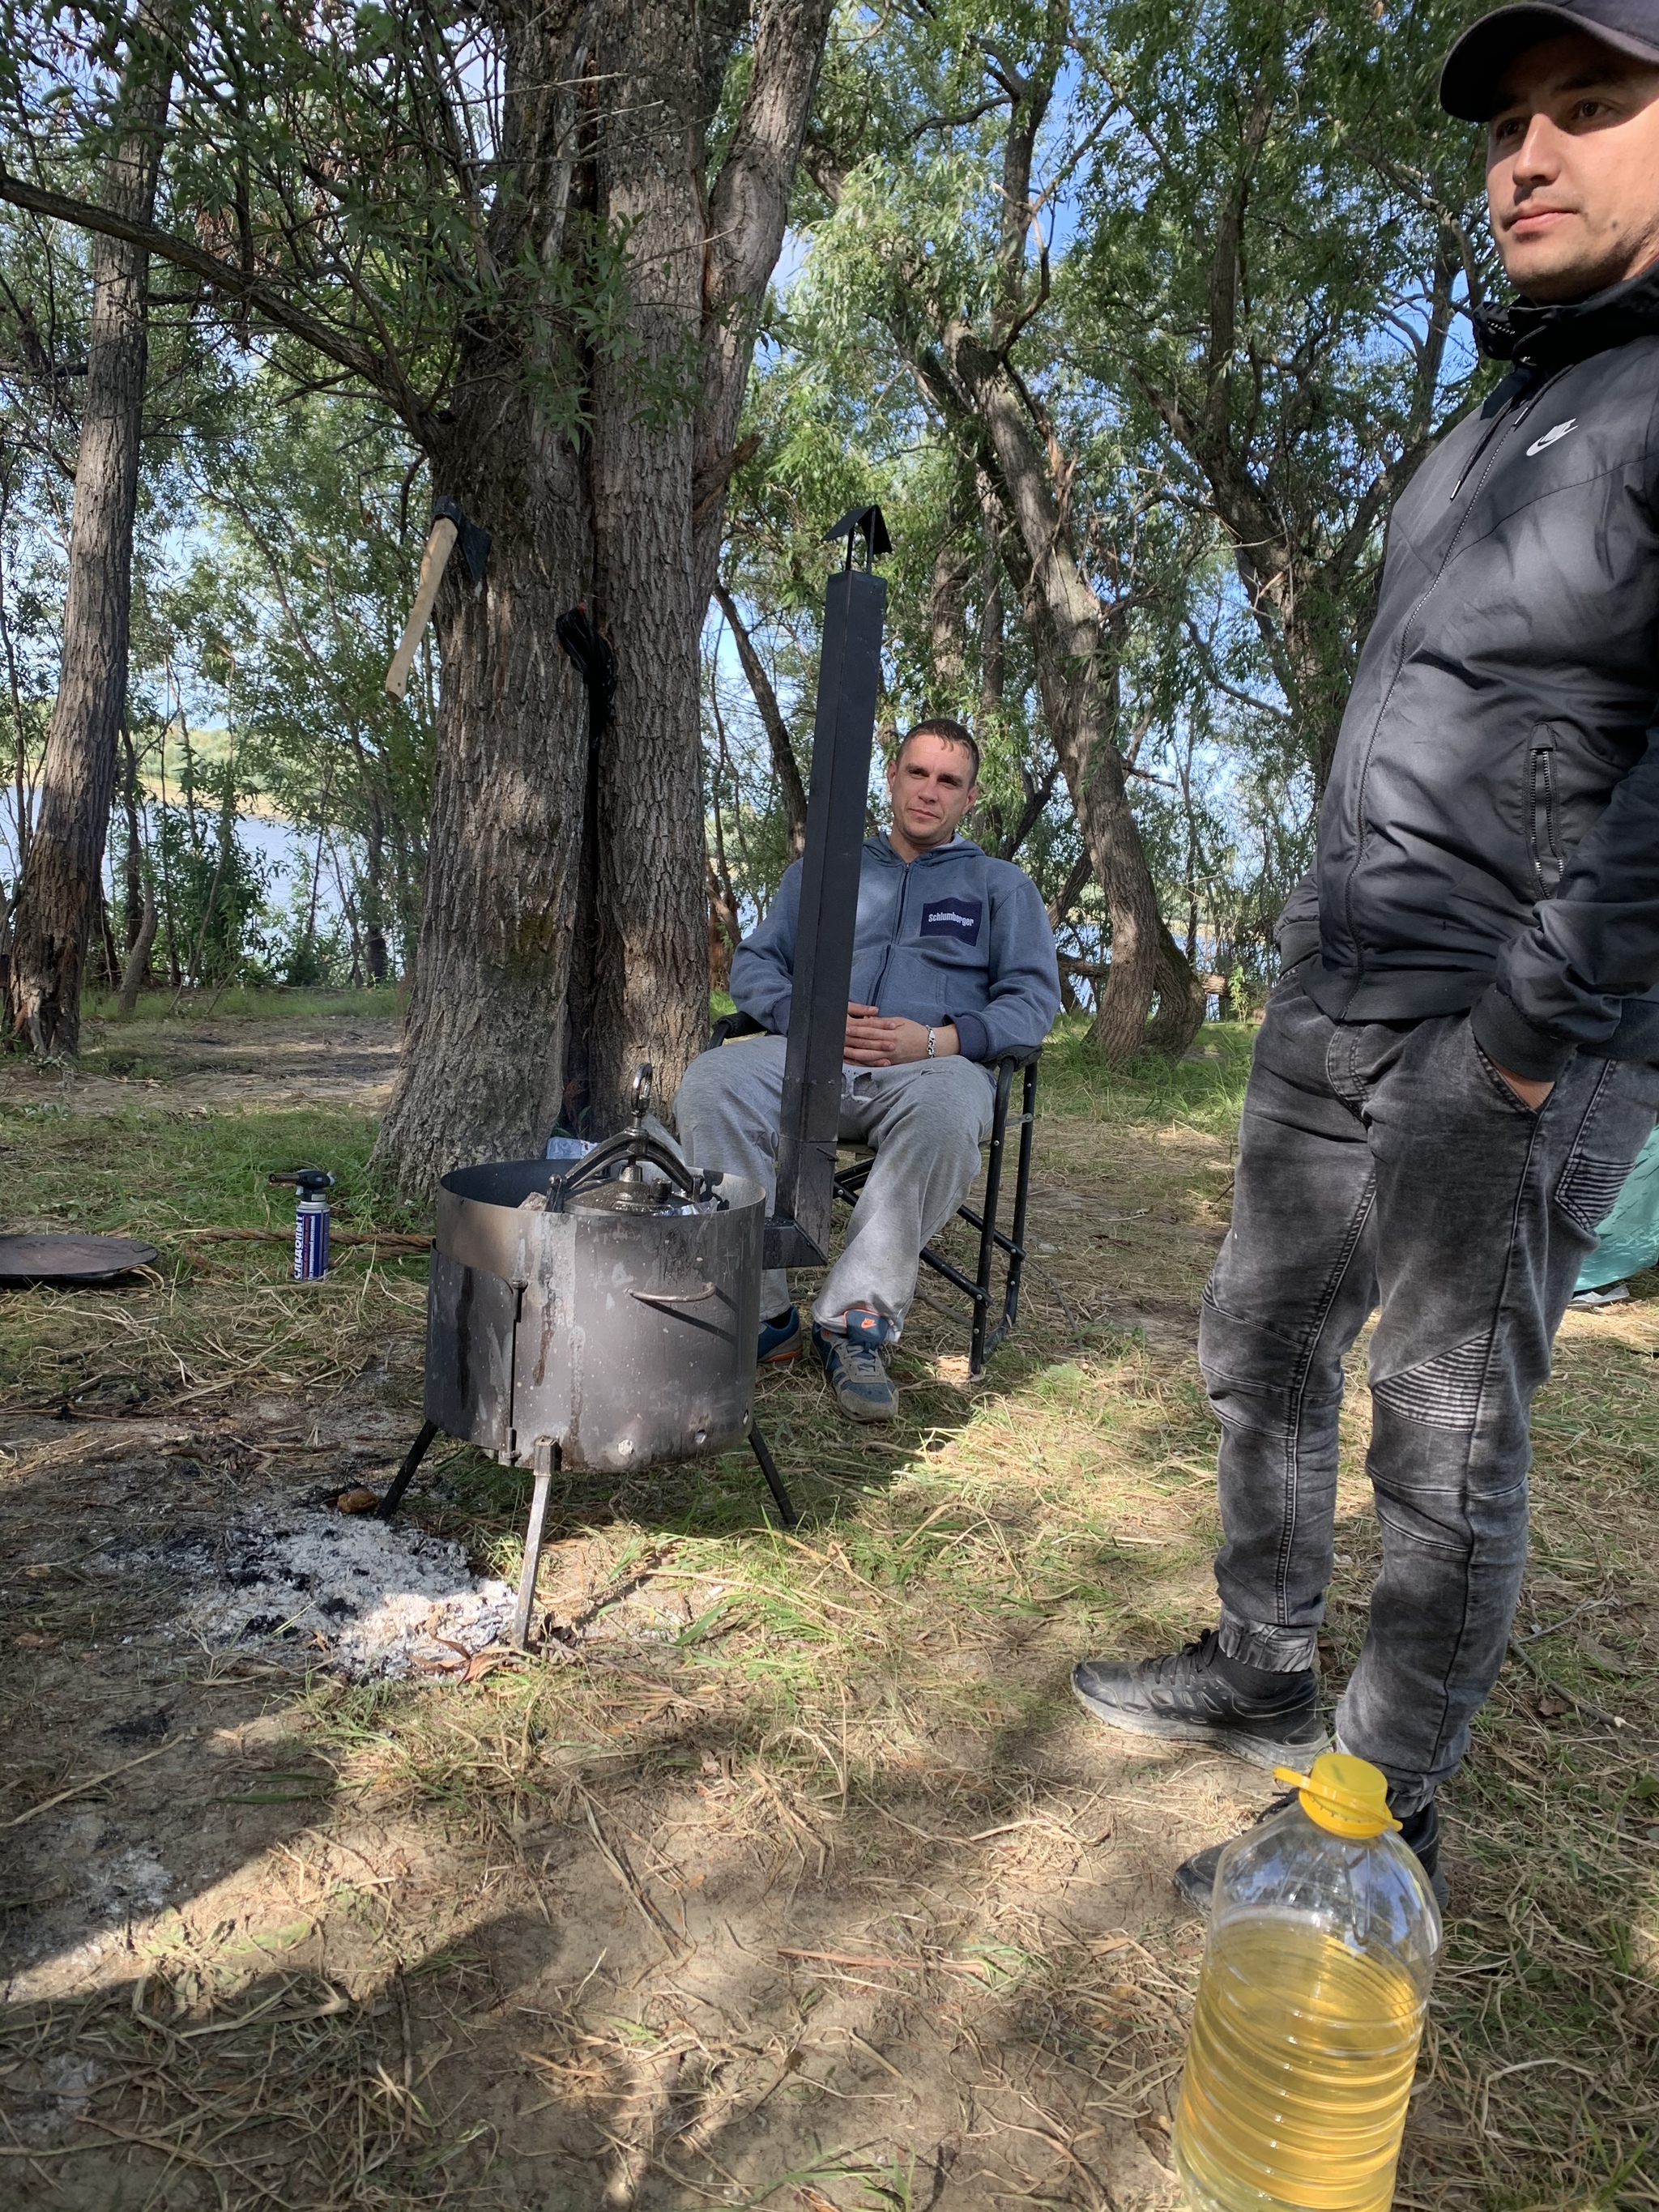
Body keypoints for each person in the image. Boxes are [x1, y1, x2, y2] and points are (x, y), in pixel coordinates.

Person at [1072, 0, 1659, 1911]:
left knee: (1441, 1425)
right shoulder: (1496, 408)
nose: (1525, 155)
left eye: (1585, 108)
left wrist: (1519, 1036)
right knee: (1257, 1342)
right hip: (1333, 986)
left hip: (1506, 1018)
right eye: (1505, 123)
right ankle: (1254, 1665)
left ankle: (1371, 1811)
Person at [674, 718, 1060, 1422]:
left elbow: (1033, 1001)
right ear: (892, 776)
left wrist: (940, 1039)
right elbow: (756, 964)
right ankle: (760, 1316)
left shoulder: (1000, 886)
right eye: (918, 773)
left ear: (970, 798)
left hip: (931, 1070)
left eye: (949, 782)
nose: (929, 792)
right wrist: (805, 1019)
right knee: (711, 1082)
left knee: (948, 1118)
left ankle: (854, 1321)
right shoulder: (823, 872)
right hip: (812, 1058)